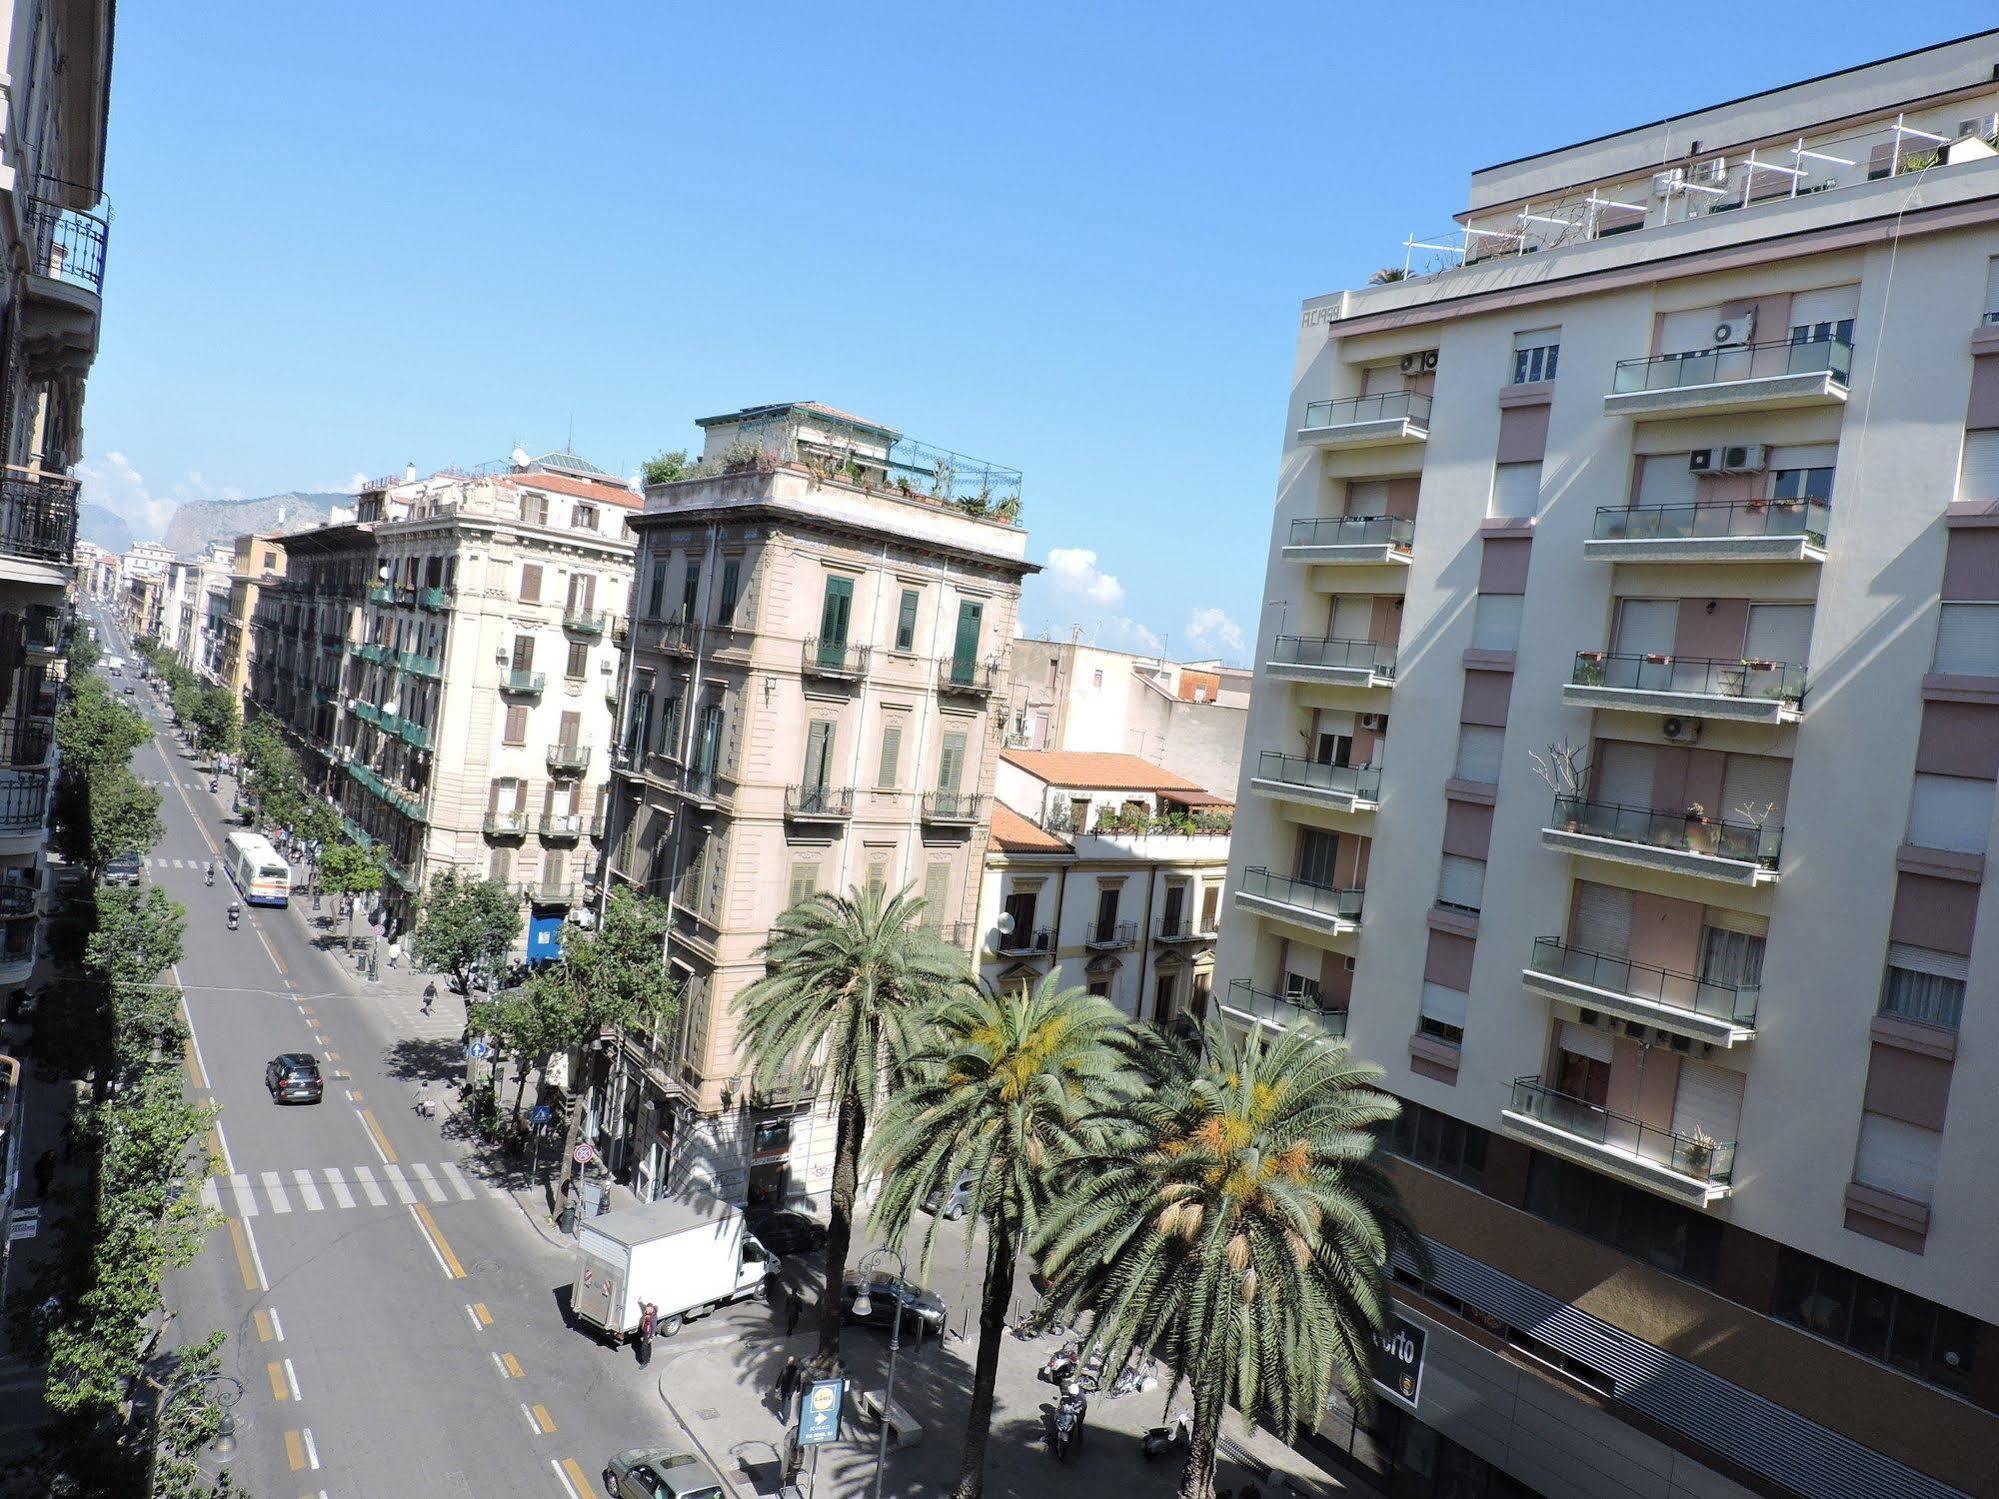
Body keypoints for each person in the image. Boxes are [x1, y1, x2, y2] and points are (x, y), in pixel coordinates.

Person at [636, 1302, 657, 1368]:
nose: (646, 1311)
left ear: (652, 1309)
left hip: (648, 1334)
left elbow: (653, 1328)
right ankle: (648, 1359)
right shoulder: (647, 1312)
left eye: (648, 1309)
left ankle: (645, 1362)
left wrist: (651, 1337)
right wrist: (640, 1302)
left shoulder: (653, 1317)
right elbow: (643, 1306)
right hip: (645, 1332)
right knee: (648, 1346)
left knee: (644, 1348)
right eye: (646, 1309)